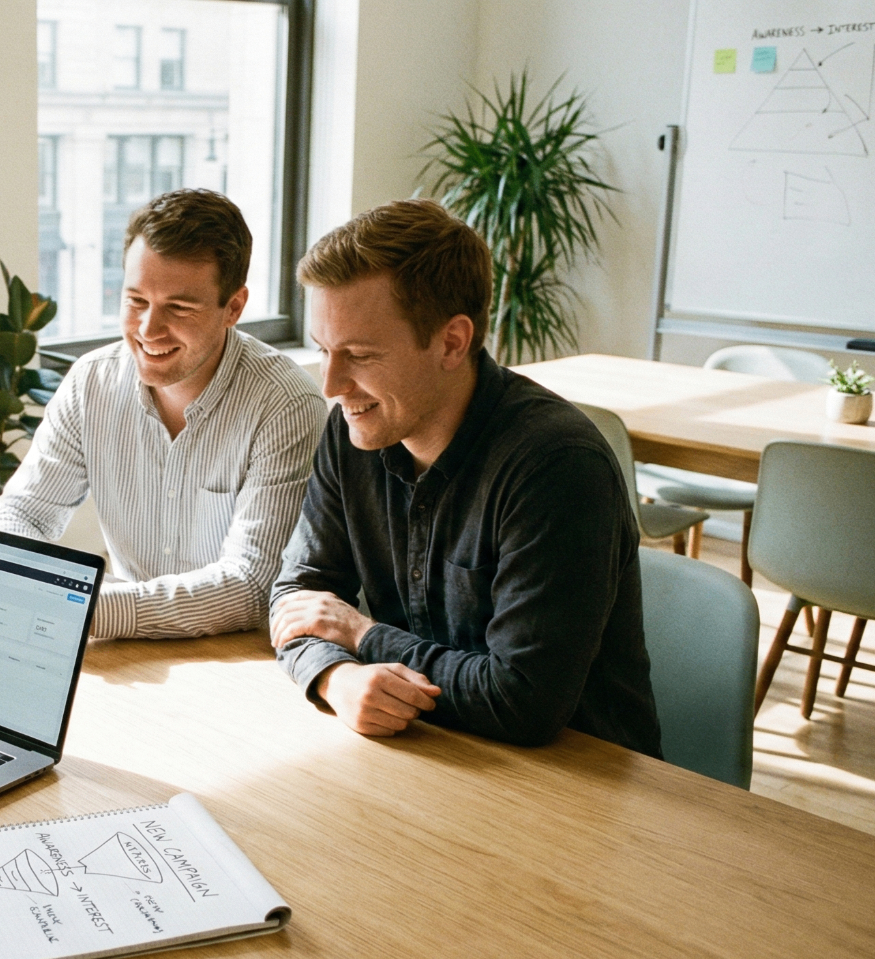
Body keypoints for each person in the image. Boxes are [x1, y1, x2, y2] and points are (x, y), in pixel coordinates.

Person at [267, 200, 661, 756]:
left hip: (580, 780)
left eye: (358, 354)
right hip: (438, 749)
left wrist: (362, 636)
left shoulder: (556, 465)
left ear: (452, 341)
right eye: (324, 350)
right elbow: (298, 598)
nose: (332, 384)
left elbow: (524, 702)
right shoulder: (354, 430)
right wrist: (335, 676)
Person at [0, 188, 327, 639]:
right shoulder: (92, 383)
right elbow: (22, 514)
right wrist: (28, 584)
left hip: (236, 657)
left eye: (179, 308)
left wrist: (83, 608)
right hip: (127, 649)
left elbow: (251, 585)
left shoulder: (285, 405)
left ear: (234, 308)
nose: (148, 330)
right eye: (135, 301)